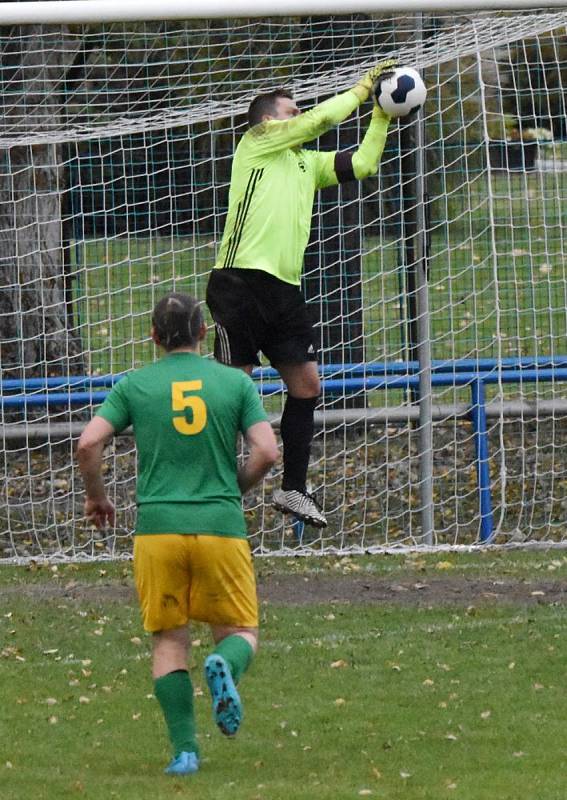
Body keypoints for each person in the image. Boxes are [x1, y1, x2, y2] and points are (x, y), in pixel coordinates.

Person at [76, 292, 278, 777]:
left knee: (170, 639)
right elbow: (268, 452)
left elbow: (87, 442)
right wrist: (235, 487)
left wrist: (98, 497)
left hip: (158, 531)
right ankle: (225, 665)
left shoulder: (136, 385)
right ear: (204, 332)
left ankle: (185, 752)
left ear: (153, 336)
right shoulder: (233, 383)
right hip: (221, 528)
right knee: (240, 632)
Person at [206, 59, 396, 529]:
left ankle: (293, 489)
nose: (300, 116)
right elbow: (321, 120)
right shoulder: (257, 143)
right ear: (270, 120)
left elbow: (364, 163)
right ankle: (210, 482)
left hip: (284, 291)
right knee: (233, 388)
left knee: (307, 385)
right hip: (239, 282)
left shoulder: (306, 163)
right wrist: (361, 89)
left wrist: (381, 114)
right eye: (291, 111)